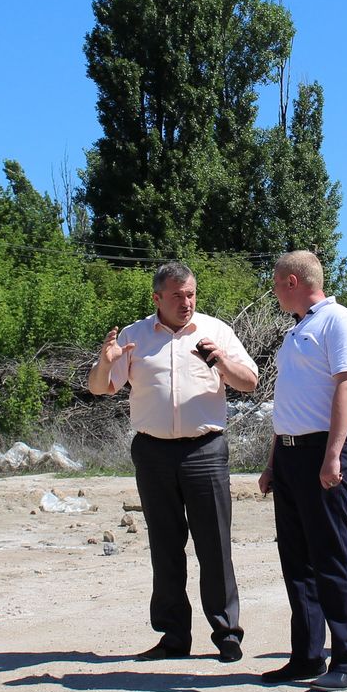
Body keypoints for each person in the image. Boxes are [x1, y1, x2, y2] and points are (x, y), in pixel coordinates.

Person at [88, 262, 258, 662]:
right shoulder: (134, 336)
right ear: (157, 298)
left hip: (205, 451)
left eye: (192, 294)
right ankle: (173, 637)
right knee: (165, 547)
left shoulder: (216, 331)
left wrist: (219, 362)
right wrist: (104, 361)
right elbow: (100, 389)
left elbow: (249, 381)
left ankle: (227, 633)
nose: (187, 302)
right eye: (178, 295)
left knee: (214, 544)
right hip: (153, 452)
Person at [258, 250, 347, 692]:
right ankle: (306, 656)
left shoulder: (337, 321)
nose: (273, 290)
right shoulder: (297, 330)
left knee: (330, 558)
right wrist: (272, 462)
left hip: (322, 450)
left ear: (291, 281)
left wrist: (333, 453)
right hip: (289, 455)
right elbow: (290, 401)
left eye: (275, 282)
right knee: (296, 560)